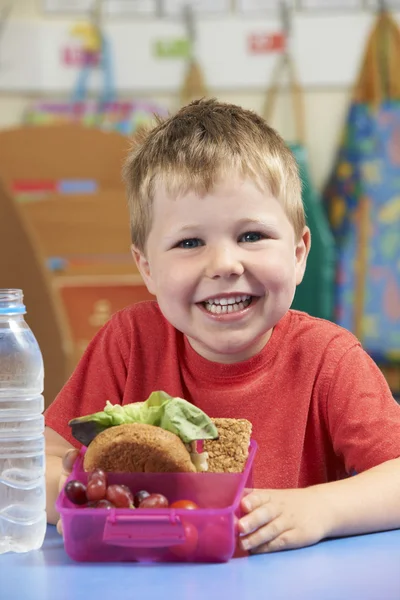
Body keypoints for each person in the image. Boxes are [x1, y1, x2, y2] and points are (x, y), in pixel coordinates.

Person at [45, 98, 400, 554]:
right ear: (147, 268)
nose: (224, 264)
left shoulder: (328, 358)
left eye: (251, 236)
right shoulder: (129, 342)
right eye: (190, 242)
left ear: (298, 254)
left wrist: (319, 509)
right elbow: (39, 463)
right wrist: (83, 497)